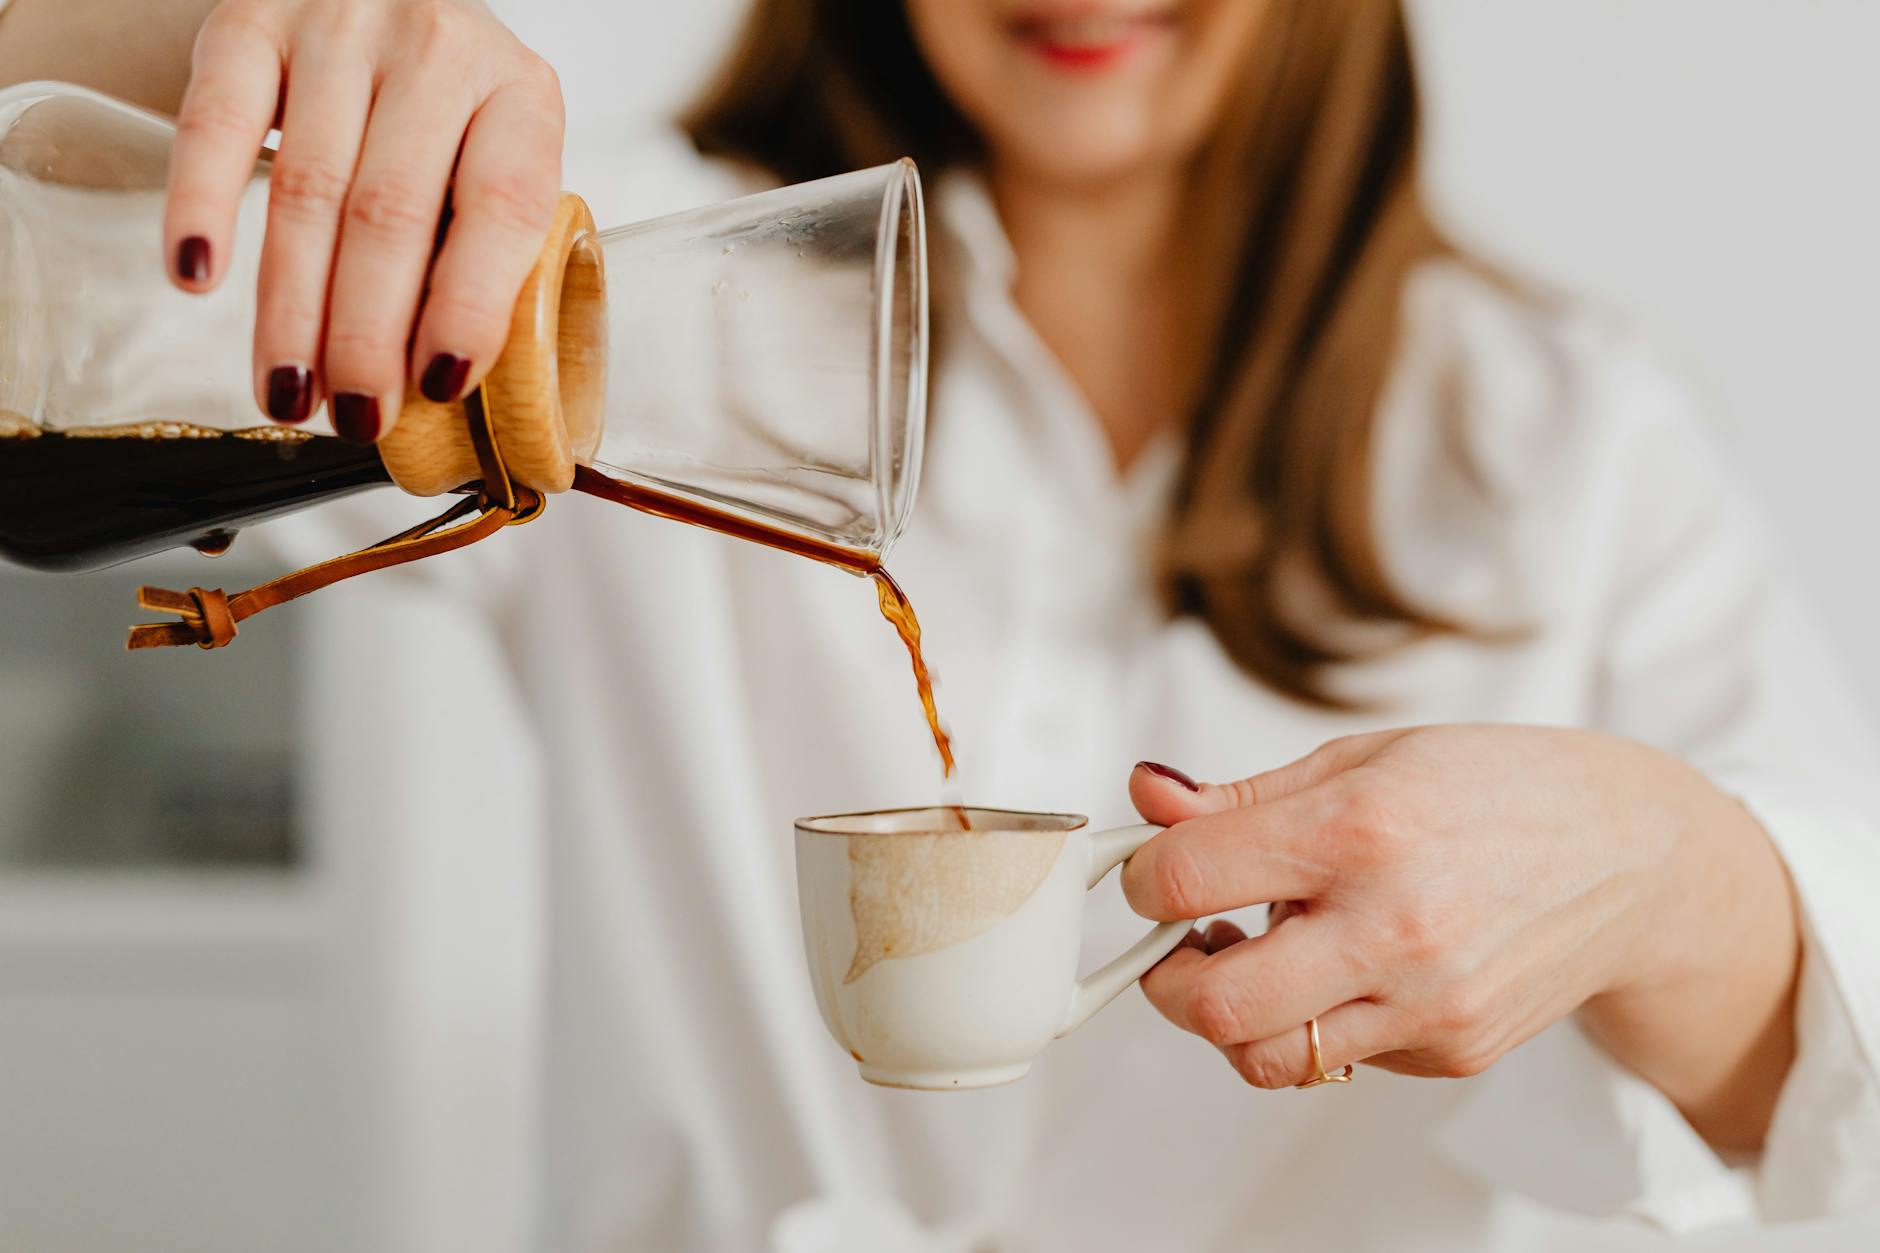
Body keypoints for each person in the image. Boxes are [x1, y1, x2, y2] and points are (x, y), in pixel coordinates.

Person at [4, 1, 1878, 1249]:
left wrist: (1670, 869)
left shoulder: (1563, 433)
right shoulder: (599, 284)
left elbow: (1833, 1092)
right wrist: (233, 35)